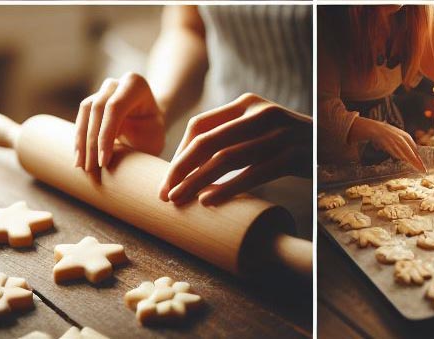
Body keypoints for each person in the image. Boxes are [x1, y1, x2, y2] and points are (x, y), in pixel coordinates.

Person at [72, 5, 313, 207]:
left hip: (320, 181)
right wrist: (161, 102)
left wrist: (319, 140)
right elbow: (189, 28)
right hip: (212, 162)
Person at [317, 5, 434, 174]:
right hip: (330, 144)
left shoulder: (424, 10)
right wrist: (374, 130)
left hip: (387, 127)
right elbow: (320, 107)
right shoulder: (330, 14)